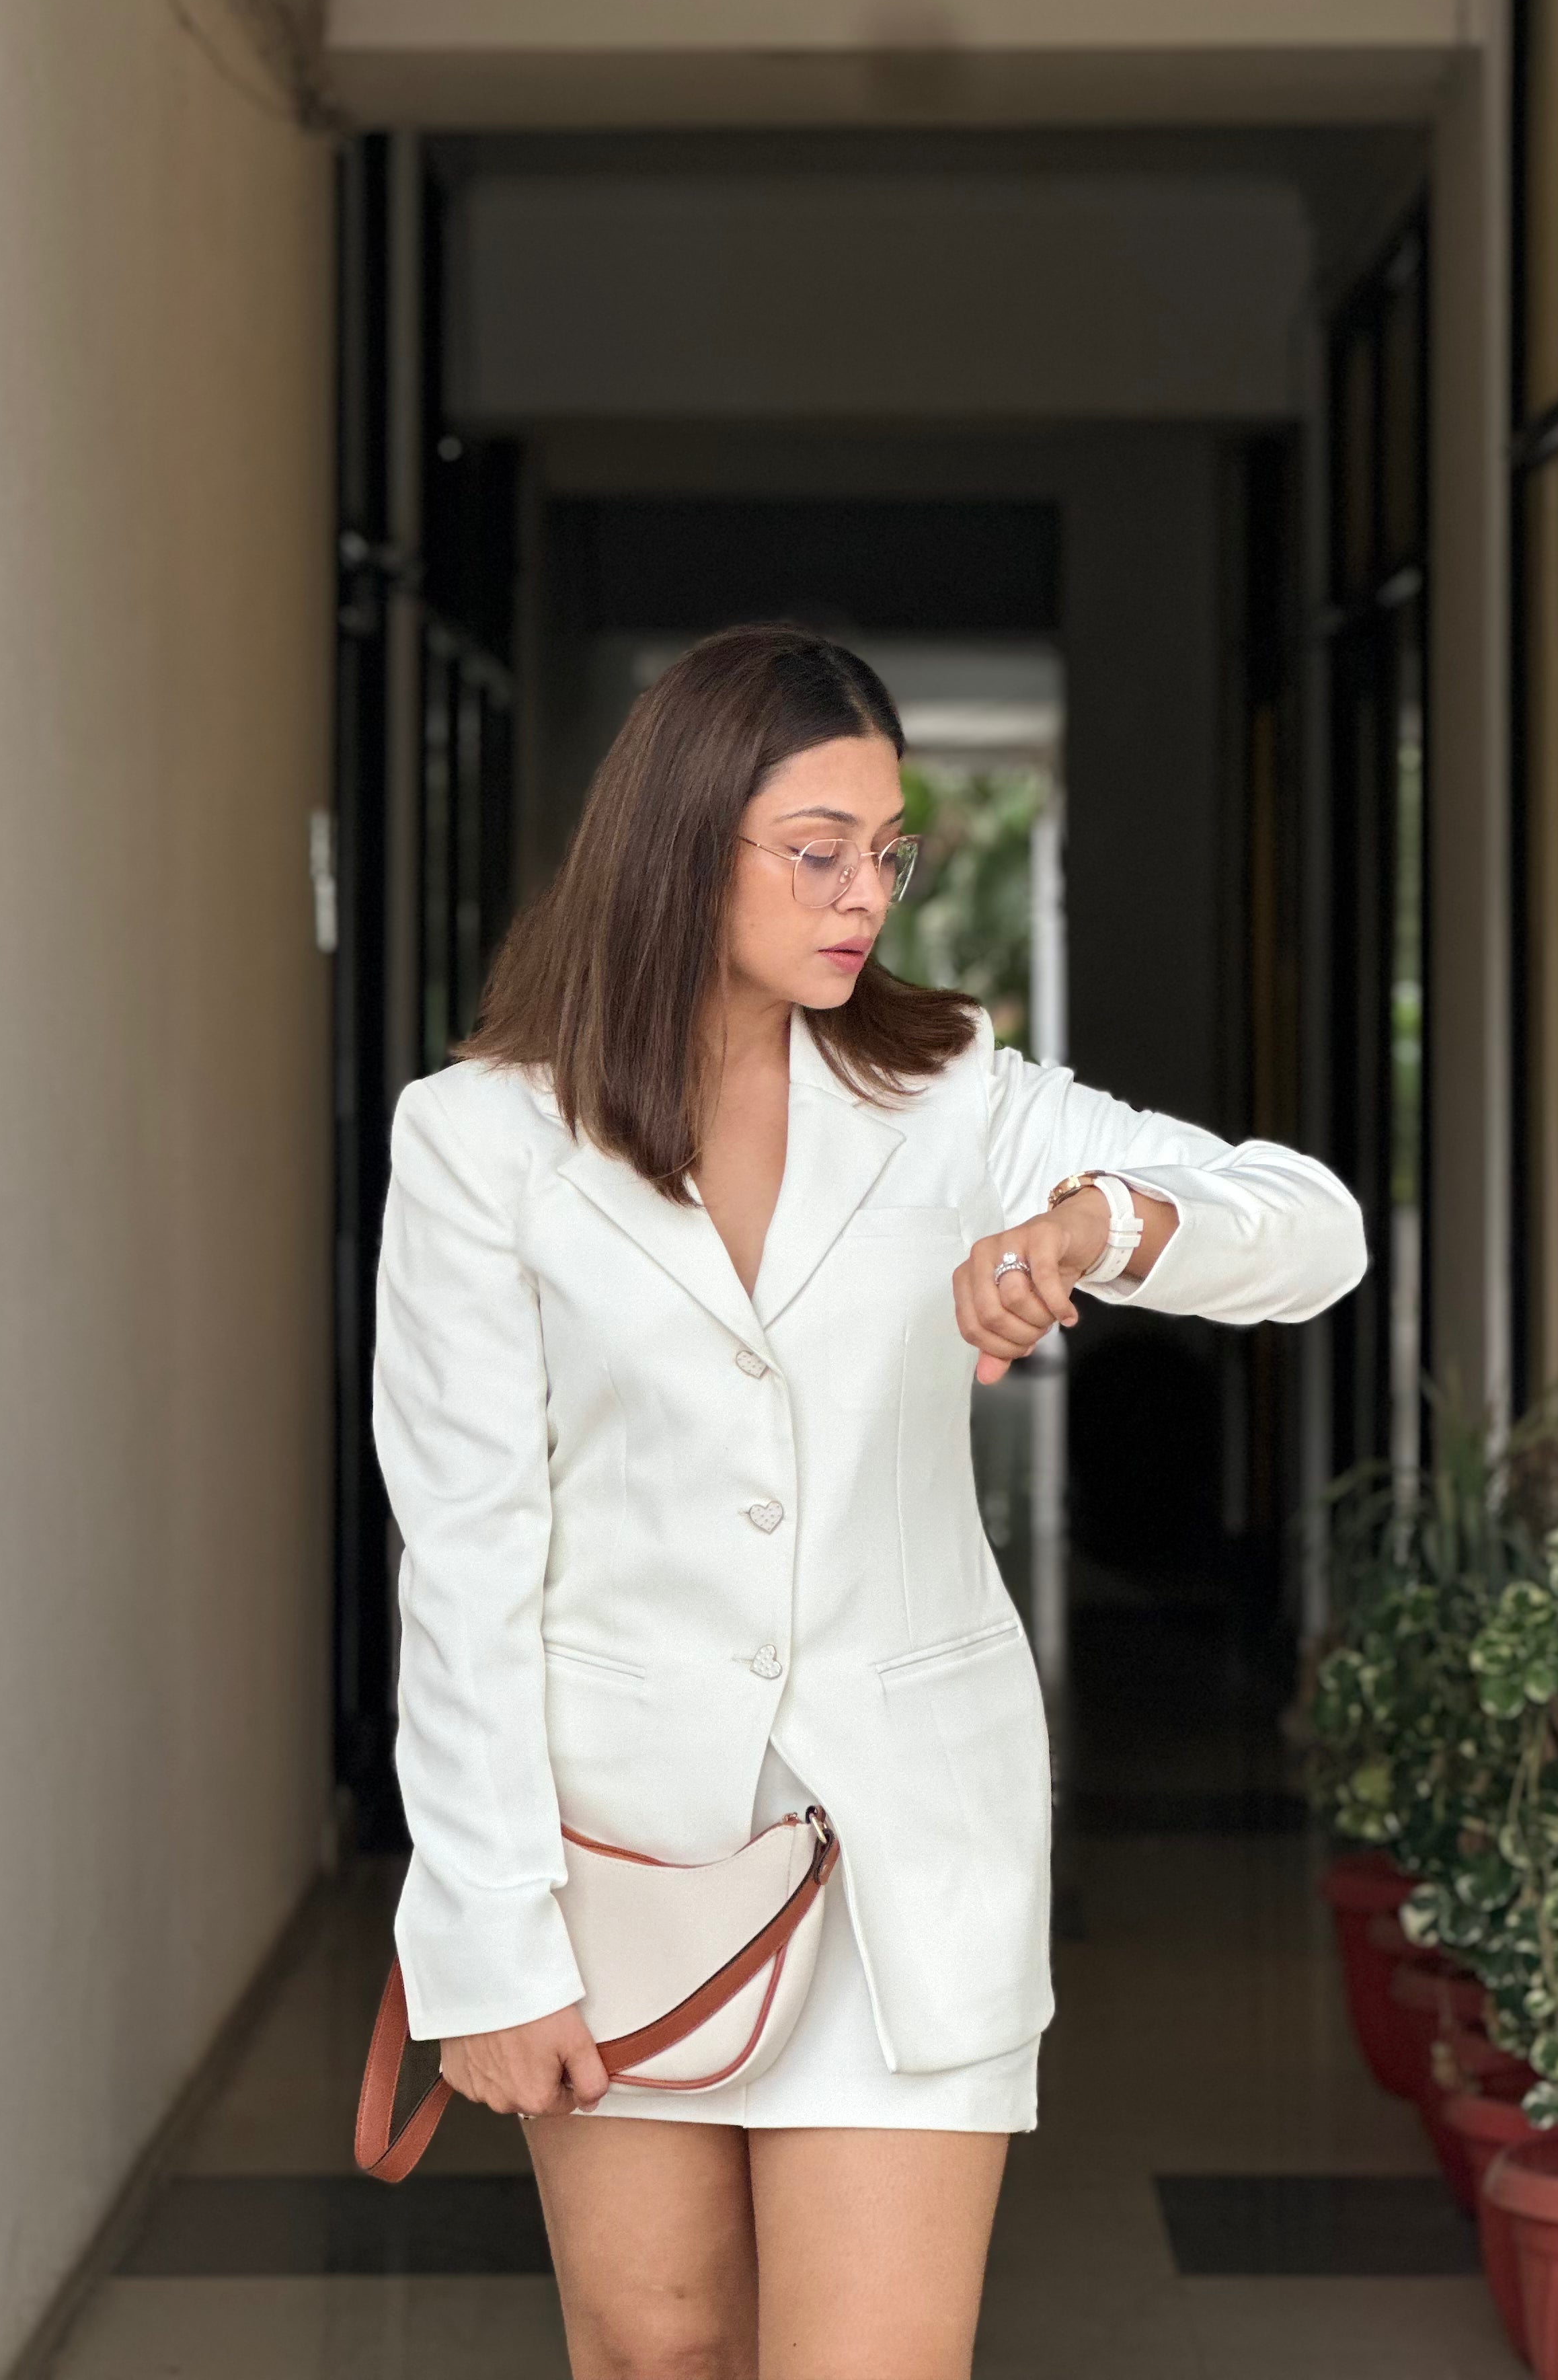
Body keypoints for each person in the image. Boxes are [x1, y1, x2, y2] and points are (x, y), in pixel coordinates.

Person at [373, 624, 1366, 2379]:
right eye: (814, 850)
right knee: (656, 2352)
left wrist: (1100, 1228)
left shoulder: (952, 1097)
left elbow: (1312, 1229)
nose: (866, 896)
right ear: (681, 849)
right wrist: (480, 1945)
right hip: (616, 1870)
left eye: (886, 851)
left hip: (907, 1859)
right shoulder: (479, 1144)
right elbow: (463, 1565)